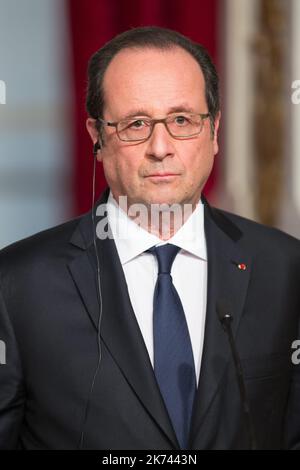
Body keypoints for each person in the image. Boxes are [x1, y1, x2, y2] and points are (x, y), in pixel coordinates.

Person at [0, 26, 299, 451]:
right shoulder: (15, 285)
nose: (161, 147)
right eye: (136, 124)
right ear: (97, 138)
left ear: (214, 132)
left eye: (181, 120)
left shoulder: (285, 268)